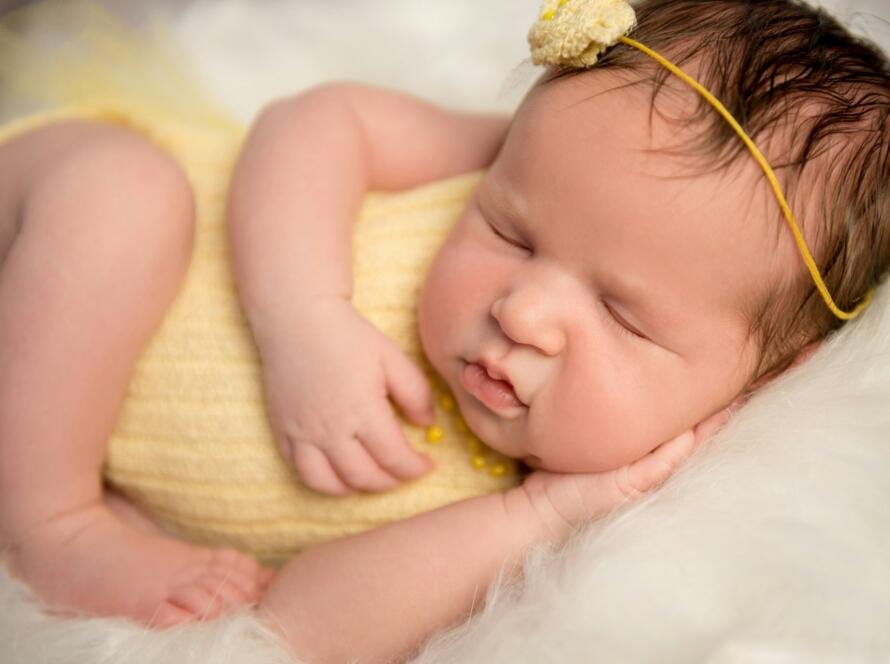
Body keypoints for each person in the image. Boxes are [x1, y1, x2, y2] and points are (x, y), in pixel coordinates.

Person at [0, 0, 887, 660]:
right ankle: (49, 521)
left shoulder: (552, 510)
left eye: (621, 314)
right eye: (511, 232)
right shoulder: (534, 159)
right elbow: (316, 124)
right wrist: (305, 323)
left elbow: (299, 626)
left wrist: (545, 514)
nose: (523, 310)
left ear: (762, 377)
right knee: (120, 198)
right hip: (36, 221)